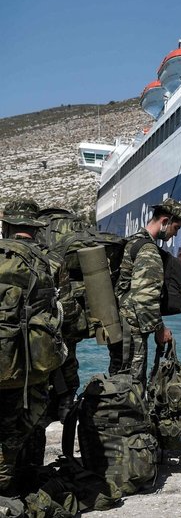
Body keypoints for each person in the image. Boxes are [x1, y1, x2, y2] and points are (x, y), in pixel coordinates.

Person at [0, 200, 64, 495]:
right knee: (26, 428)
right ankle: (18, 486)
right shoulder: (48, 262)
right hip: (28, 366)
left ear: (6, 226)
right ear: (35, 230)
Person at [109, 198, 181, 390]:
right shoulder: (148, 250)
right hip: (132, 329)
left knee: (118, 378)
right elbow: (145, 297)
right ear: (165, 221)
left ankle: (115, 415)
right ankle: (130, 419)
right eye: (175, 228)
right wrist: (160, 330)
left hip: (118, 323)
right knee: (132, 385)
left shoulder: (132, 241)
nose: (174, 234)